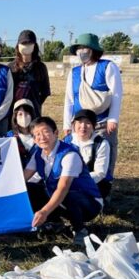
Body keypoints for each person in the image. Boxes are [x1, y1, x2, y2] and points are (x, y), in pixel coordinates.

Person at [24, 116, 102, 245]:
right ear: (33, 139)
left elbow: (63, 188)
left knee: (67, 194)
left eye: (45, 132)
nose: (42, 137)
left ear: (55, 133)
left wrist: (44, 211)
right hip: (58, 197)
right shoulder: (38, 153)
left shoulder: (69, 154)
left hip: (88, 202)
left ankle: (80, 230)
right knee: (29, 188)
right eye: (37, 134)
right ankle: (53, 223)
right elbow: (23, 178)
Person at [63, 32, 122, 180]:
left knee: (104, 157)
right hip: (79, 125)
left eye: (85, 48)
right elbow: (69, 99)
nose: (81, 51)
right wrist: (67, 124)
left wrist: (113, 119)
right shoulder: (75, 72)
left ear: (93, 50)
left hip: (102, 123)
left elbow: (116, 94)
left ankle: (104, 189)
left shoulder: (107, 67)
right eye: (79, 48)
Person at [66, 109, 112, 198]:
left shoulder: (101, 144)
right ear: (73, 125)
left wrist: (76, 181)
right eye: (79, 122)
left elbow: (100, 173)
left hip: (95, 183)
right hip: (69, 181)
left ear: (94, 126)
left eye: (88, 123)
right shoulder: (67, 141)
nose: (83, 126)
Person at [11, 29, 50, 118]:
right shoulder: (11, 67)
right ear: (18, 46)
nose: (26, 46)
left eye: (29, 43)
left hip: (34, 112)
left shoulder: (41, 67)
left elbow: (45, 91)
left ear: (35, 46)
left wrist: (35, 102)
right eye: (23, 43)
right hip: (14, 114)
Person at [9, 98, 37, 164]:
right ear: (15, 117)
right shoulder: (9, 136)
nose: (24, 117)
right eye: (20, 114)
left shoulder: (40, 135)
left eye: (27, 113)